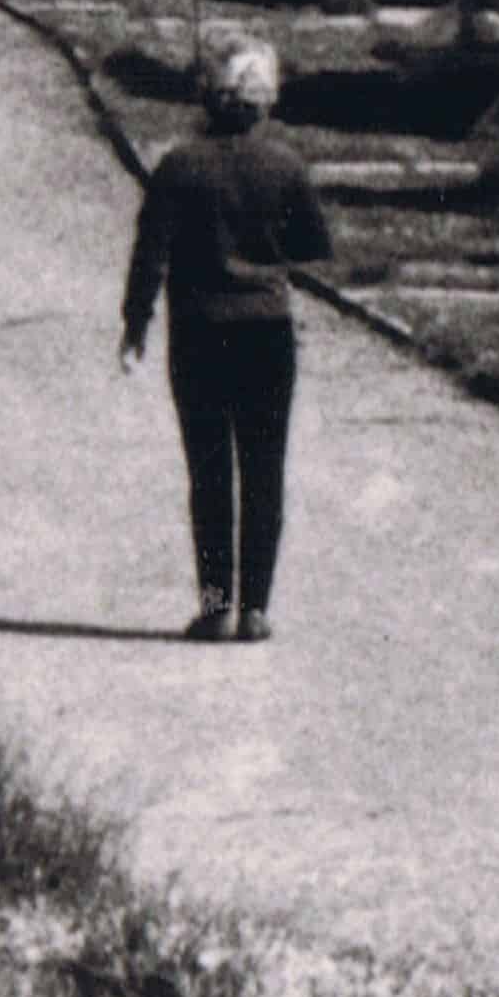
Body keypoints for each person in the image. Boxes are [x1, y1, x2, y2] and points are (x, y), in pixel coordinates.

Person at [115, 36, 331, 641]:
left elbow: (150, 254)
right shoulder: (286, 166)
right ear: (265, 103)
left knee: (209, 474)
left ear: (207, 98)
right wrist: (266, 250)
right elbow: (314, 245)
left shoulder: (179, 166)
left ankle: (215, 607)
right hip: (267, 330)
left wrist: (135, 323)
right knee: (264, 470)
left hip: (199, 332)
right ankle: (256, 608)